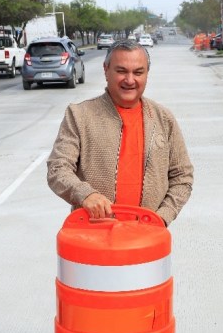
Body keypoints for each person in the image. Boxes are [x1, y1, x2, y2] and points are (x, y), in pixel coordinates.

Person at [47, 40, 194, 226]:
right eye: (121, 71)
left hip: (148, 236)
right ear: (106, 70)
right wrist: (85, 194)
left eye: (138, 72)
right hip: (93, 235)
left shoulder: (163, 119)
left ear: (147, 74)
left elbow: (182, 176)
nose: (130, 80)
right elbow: (58, 168)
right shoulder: (79, 116)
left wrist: (162, 217)